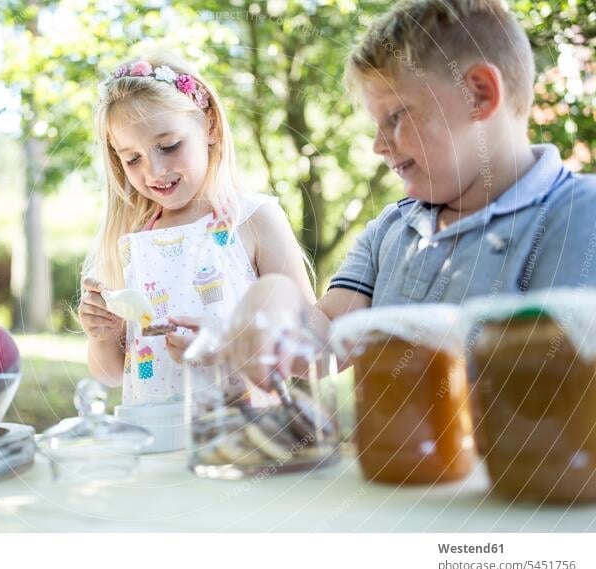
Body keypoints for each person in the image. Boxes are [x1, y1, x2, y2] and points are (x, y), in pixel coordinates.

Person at [227, 0, 596, 382]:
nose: (378, 145)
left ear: (480, 95)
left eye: (396, 116)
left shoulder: (577, 215)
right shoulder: (393, 227)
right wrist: (274, 301)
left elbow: (555, 391)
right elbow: (323, 343)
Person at [78, 53, 314, 404]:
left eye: (169, 146)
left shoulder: (253, 220)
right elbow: (111, 373)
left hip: (243, 439)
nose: (154, 170)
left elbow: (310, 350)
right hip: (155, 441)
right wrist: (101, 336)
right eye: (132, 159)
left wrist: (229, 346)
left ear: (210, 128)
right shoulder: (132, 242)